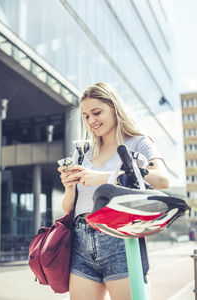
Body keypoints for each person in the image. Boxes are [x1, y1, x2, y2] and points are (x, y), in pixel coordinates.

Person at [58, 82, 169, 300]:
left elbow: (162, 179)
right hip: (81, 241)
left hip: (120, 238)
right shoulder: (82, 152)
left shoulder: (139, 143)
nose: (91, 121)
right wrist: (69, 187)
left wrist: (104, 178)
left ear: (114, 108)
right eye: (86, 116)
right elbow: (67, 208)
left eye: (97, 112)